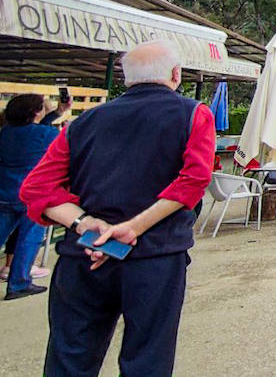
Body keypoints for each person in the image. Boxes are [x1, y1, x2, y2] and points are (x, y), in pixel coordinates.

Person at [20, 40, 215, 376]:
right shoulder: (193, 114)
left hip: (84, 254)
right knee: (147, 359)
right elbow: (193, 181)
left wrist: (86, 223)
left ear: (127, 79)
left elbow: (36, 188)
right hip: (154, 255)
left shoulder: (83, 122)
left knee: (69, 359)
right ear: (176, 74)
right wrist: (132, 228)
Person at [1, 94, 60, 300]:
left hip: (5, 191)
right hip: (32, 195)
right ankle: (18, 284)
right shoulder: (48, 134)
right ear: (36, 112)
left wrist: (55, 113)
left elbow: (31, 130)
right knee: (28, 240)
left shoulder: (6, 132)